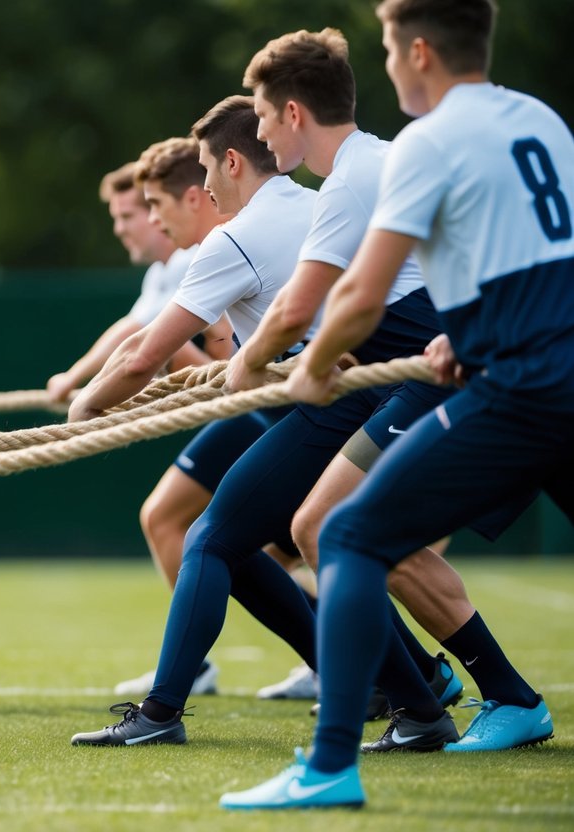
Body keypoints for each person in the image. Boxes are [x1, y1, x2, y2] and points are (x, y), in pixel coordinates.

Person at [222, 0, 570, 809]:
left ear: (416, 53)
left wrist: (307, 369)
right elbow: (534, 258)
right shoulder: (542, 121)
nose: (384, 68)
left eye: (385, 49)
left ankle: (329, 766)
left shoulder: (428, 139)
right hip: (547, 363)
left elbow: (360, 297)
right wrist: (468, 333)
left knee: (343, 532)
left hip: (525, 389)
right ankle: (502, 698)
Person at [66, 101, 325, 724]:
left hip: (311, 406)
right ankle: (399, 683)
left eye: (150, 207)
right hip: (294, 401)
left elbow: (151, 351)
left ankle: (412, 684)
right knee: (224, 537)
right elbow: (161, 347)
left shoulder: (226, 242)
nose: (145, 223)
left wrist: (84, 400)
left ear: (223, 170)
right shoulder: (297, 209)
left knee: (281, 540)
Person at [45, 161, 222, 404]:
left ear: (155, 210)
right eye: (116, 218)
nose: (119, 230)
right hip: (228, 387)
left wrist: (75, 381)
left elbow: (134, 331)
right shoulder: (159, 271)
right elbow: (133, 326)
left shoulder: (189, 258)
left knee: (160, 349)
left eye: (126, 216)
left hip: (242, 388)